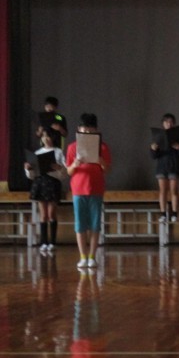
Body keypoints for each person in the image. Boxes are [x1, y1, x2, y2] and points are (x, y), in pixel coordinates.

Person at [66, 113, 111, 269]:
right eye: (84, 129)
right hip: (78, 190)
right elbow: (69, 171)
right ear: (79, 129)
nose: (87, 132)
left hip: (96, 189)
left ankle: (92, 256)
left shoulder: (102, 147)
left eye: (90, 130)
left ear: (96, 130)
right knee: (80, 225)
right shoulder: (72, 147)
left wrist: (101, 161)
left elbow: (107, 170)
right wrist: (75, 164)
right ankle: (83, 256)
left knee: (95, 225)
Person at [24, 128, 67, 253]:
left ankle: (52, 242)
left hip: (53, 183)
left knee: (51, 213)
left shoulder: (58, 152)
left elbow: (64, 173)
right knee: (43, 214)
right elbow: (32, 176)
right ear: (41, 139)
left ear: (53, 137)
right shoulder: (37, 153)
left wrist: (59, 168)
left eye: (48, 136)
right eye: (43, 136)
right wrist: (28, 169)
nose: (46, 139)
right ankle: (43, 242)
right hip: (40, 182)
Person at [150, 113, 179, 223]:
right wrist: (153, 149)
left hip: (174, 165)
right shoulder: (158, 137)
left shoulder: (178, 137)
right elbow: (153, 156)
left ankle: (175, 214)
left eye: (171, 122)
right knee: (162, 191)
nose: (169, 124)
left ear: (174, 124)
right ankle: (163, 214)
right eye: (166, 122)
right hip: (162, 166)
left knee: (174, 190)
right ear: (163, 124)